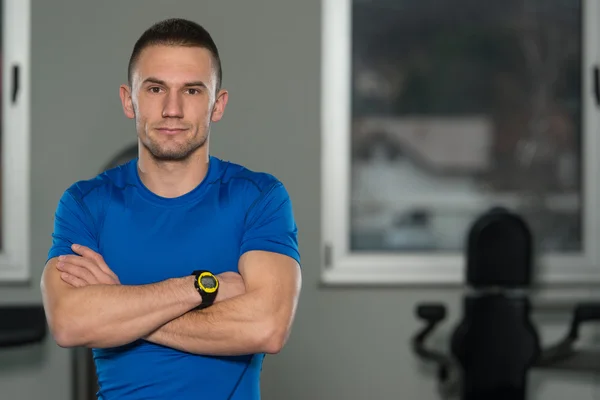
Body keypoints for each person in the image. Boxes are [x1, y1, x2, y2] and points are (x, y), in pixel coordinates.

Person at [40, 18, 302, 400]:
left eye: (193, 90)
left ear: (218, 105)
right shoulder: (86, 204)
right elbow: (68, 323)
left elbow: (267, 327)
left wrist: (120, 305)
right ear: (129, 100)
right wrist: (203, 287)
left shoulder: (259, 198)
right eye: (155, 88)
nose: (173, 109)